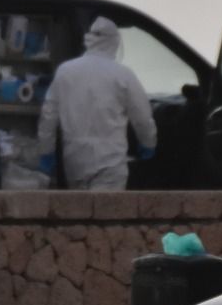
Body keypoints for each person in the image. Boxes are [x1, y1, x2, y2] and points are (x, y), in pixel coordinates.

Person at [36, 16, 157, 190]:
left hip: (75, 160)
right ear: (115, 43)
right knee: (106, 213)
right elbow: (143, 117)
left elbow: (49, 115)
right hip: (111, 161)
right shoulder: (123, 75)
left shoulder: (66, 71)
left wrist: (45, 151)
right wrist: (148, 143)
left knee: (80, 213)